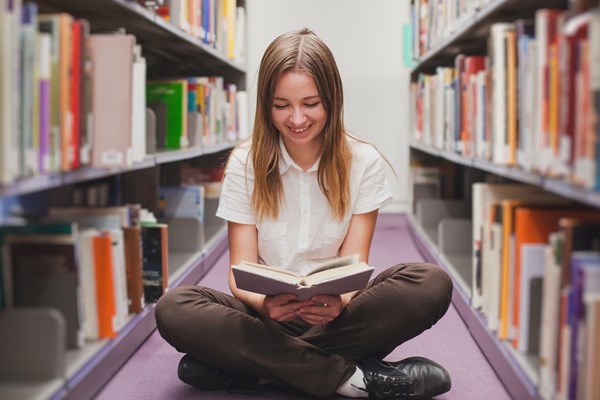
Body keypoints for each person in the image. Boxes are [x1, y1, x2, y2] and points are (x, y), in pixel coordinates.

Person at [155, 27, 453, 399]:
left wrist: (338, 302)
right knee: (175, 308)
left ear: (332, 99)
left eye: (310, 104)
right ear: (266, 105)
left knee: (430, 283)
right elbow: (240, 271)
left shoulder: (364, 162)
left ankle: (255, 370)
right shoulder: (245, 163)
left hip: (336, 319)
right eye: (282, 105)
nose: (296, 119)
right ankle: (353, 379)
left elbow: (355, 264)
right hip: (265, 319)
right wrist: (264, 303)